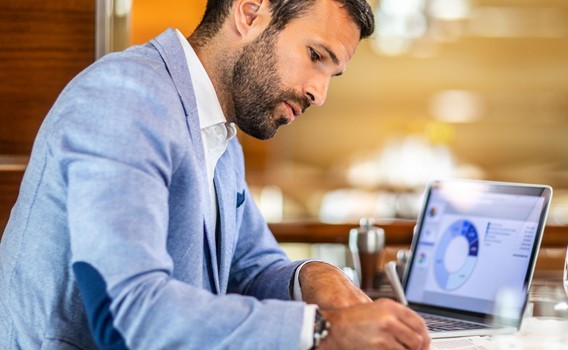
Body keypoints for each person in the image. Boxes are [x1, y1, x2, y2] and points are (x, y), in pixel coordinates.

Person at [0, 0, 431, 349]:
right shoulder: (125, 98)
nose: (319, 93)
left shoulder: (221, 137)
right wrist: (322, 330)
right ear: (250, 12)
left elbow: (250, 267)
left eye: (332, 73)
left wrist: (315, 279)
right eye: (316, 56)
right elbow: (126, 314)